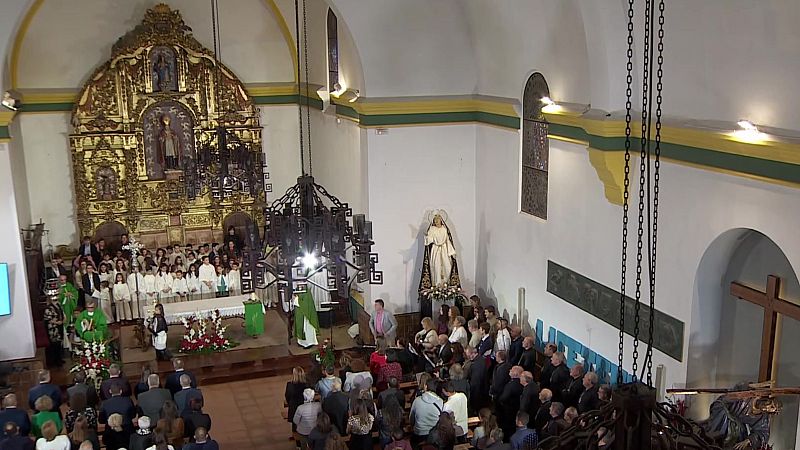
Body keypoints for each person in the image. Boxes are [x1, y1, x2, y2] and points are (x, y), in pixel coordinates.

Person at [424, 213, 456, 287]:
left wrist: (452, 252)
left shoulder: (444, 229)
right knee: (436, 266)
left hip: (444, 249)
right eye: (435, 220)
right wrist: (427, 238)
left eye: (438, 220)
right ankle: (436, 286)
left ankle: (446, 285)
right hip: (436, 250)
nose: (436, 221)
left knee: (447, 266)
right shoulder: (432, 229)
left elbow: (447, 240)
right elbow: (429, 239)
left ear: (441, 220)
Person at [409, 378, 443, 444]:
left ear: (426, 386)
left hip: (419, 433)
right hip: (435, 434)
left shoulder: (417, 400)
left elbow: (411, 419)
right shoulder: (440, 402)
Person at [498, 366, 524, 439]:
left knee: (508, 425)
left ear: (515, 373)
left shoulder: (511, 385)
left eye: (511, 370)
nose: (510, 370)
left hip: (508, 409)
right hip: (517, 408)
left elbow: (504, 397)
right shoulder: (521, 383)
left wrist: (500, 400)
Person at [42, 295, 65, 368]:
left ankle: (59, 359)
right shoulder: (49, 308)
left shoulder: (58, 305)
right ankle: (55, 361)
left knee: (59, 343)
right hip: (53, 328)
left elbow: (62, 314)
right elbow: (47, 319)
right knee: (55, 344)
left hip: (59, 326)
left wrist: (63, 320)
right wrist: (57, 322)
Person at [465, 347, 489, 413]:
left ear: (473, 353)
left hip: (478, 393)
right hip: (481, 391)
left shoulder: (477, 364)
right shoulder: (480, 360)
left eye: (468, 355)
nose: (468, 357)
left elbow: (476, 382)